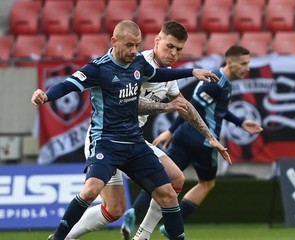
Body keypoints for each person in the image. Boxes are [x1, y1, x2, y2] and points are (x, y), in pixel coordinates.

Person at [31, 20, 219, 240]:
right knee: (101, 199)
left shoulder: (139, 63)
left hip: (133, 141)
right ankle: (61, 237)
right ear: (115, 41)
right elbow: (69, 84)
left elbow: (160, 77)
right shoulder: (99, 68)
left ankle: (143, 236)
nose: (133, 51)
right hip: (105, 141)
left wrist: (192, 73)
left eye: (137, 45)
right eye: (129, 45)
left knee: (170, 188)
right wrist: (46, 95)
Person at [150, 45, 264, 238]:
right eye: (244, 63)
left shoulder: (221, 80)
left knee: (164, 178)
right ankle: (172, 226)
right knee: (207, 183)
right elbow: (192, 106)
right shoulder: (217, 82)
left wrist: (240, 122)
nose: (248, 68)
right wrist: (170, 130)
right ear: (230, 62)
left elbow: (218, 109)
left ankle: (133, 213)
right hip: (204, 141)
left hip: (184, 135)